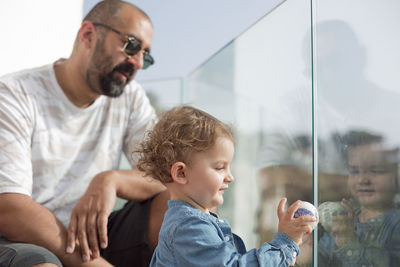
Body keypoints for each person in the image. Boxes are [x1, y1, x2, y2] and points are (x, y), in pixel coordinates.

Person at [0, 1, 169, 266]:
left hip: (94, 236)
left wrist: (112, 180)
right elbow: (9, 208)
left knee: (174, 203)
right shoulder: (14, 94)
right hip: (21, 239)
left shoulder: (130, 98)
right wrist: (90, 263)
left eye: (145, 56)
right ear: (88, 35)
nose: (137, 63)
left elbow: (168, 174)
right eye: (132, 45)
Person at [135, 105, 316, 267]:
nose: (230, 177)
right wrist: (284, 243)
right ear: (181, 173)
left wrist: (283, 256)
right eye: (220, 167)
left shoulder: (194, 222)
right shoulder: (188, 227)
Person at [318, 131, 400, 267]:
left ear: (396, 176)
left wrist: (349, 244)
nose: (363, 179)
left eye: (376, 171)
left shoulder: (396, 226)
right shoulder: (344, 219)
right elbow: (323, 255)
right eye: (354, 171)